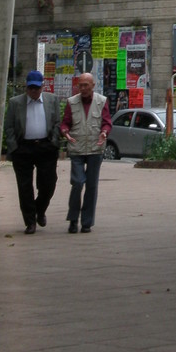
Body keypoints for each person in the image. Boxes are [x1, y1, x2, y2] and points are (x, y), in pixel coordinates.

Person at [4, 70, 62, 234]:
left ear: (42, 87)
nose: (34, 92)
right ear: (26, 88)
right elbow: (9, 126)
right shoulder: (16, 103)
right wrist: (14, 146)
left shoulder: (52, 100)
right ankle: (30, 221)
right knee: (24, 187)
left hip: (45, 147)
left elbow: (57, 122)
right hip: (23, 148)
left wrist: (54, 141)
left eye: (37, 88)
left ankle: (40, 209)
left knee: (49, 183)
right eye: (31, 88)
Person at [60, 72, 112, 234]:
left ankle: (87, 222)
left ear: (93, 85)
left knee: (91, 186)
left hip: (95, 149)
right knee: (77, 182)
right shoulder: (72, 102)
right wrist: (65, 132)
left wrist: (104, 132)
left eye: (85, 85)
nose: (82, 88)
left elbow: (107, 122)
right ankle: (73, 218)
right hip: (77, 148)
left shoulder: (101, 101)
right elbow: (65, 123)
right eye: (80, 85)